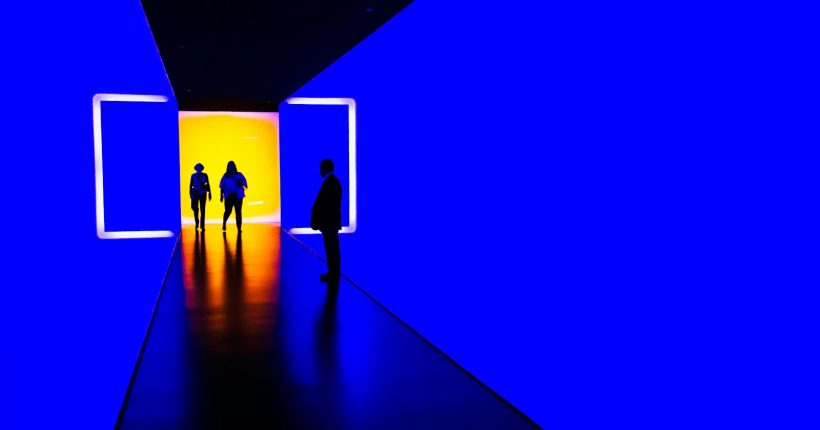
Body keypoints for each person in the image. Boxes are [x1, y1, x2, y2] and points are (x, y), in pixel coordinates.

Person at [311, 159, 342, 282]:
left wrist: (319, 221)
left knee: (331, 249)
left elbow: (325, 205)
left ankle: (333, 274)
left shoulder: (330, 183)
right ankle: (333, 273)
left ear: (324, 168)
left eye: (320, 168)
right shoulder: (333, 182)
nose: (319, 171)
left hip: (329, 223)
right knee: (332, 248)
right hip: (330, 223)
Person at [219, 161, 248, 233]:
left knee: (238, 212)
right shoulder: (225, 176)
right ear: (228, 167)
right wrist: (221, 196)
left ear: (235, 166)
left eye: (232, 166)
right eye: (230, 166)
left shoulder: (239, 175)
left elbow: (245, 185)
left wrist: (240, 184)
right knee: (228, 211)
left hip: (238, 196)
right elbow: (222, 186)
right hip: (229, 196)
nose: (231, 167)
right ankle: (224, 223)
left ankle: (239, 228)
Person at [189, 163, 212, 231]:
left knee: (203, 209)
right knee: (194, 208)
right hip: (195, 193)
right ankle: (197, 222)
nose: (199, 169)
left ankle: (202, 225)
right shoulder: (193, 175)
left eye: (200, 167)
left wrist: (209, 193)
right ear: (196, 168)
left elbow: (208, 184)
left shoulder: (205, 175)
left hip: (202, 193)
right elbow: (190, 185)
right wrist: (190, 194)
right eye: (197, 167)